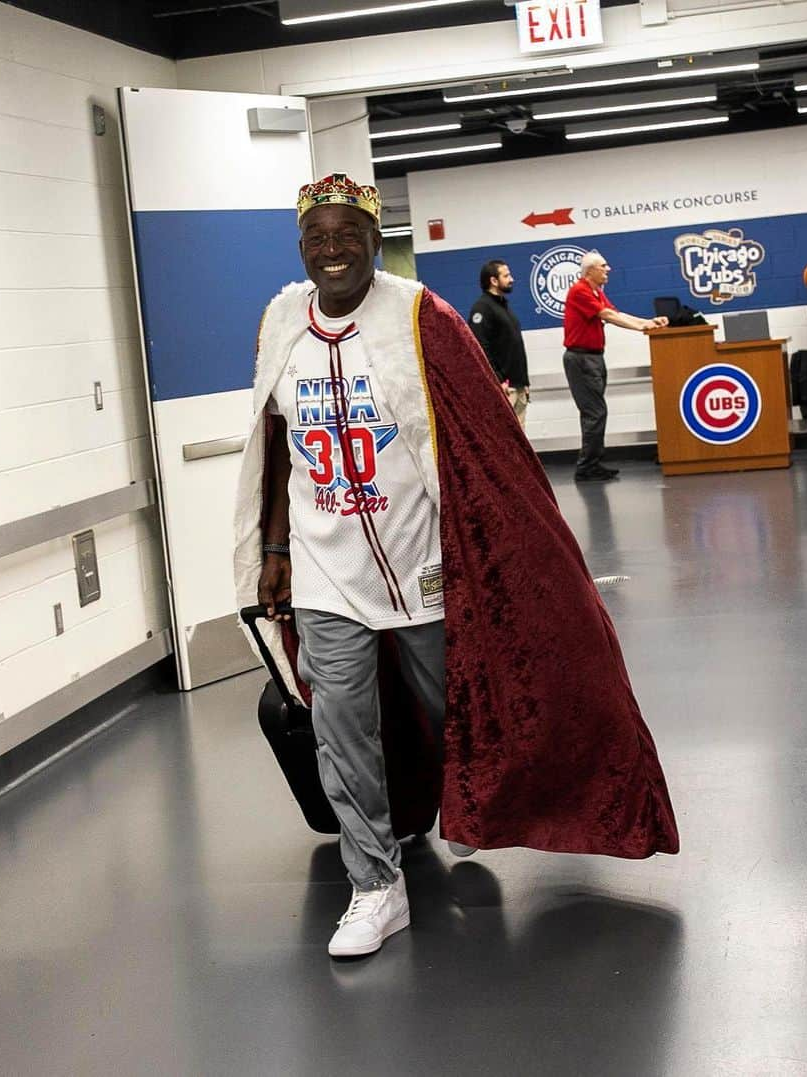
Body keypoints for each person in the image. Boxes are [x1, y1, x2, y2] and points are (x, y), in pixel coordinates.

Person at [233, 173, 678, 960]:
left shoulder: (420, 316)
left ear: (375, 240)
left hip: (425, 559)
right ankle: (375, 884)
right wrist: (273, 552)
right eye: (316, 237)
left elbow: (483, 448)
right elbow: (275, 450)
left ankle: (464, 803)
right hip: (325, 564)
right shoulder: (279, 322)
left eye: (348, 235)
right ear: (301, 247)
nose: (332, 251)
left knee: (458, 701)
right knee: (340, 724)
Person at [562, 250, 668, 482]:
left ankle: (592, 463)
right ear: (590, 271)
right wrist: (642, 327)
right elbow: (608, 315)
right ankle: (587, 467)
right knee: (595, 412)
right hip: (581, 359)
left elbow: (616, 313)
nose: (608, 269)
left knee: (595, 412)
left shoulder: (595, 291)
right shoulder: (579, 290)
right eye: (603, 265)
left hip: (593, 358)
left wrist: (648, 323)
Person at [468, 260, 531, 427]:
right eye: (506, 275)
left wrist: (523, 382)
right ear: (493, 281)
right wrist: (498, 380)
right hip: (502, 387)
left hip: (517, 386)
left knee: (519, 442)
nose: (512, 279)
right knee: (503, 437)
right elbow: (480, 348)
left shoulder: (504, 307)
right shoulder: (482, 308)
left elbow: (514, 347)